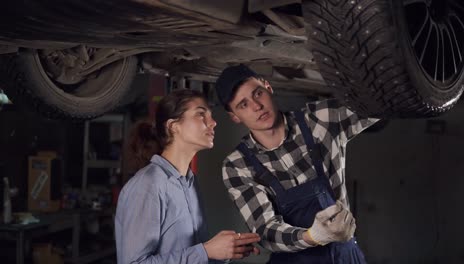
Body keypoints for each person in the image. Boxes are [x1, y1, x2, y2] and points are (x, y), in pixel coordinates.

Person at [215, 64, 379, 263]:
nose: (256, 106)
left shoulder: (320, 120)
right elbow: (265, 230)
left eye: (258, 93)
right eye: (243, 105)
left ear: (268, 87)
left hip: (346, 256)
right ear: (234, 117)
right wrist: (313, 236)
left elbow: (379, 103)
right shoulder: (238, 165)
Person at [115, 89, 261, 264]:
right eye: (201, 114)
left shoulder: (189, 182)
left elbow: (194, 255)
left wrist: (225, 251)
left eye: (211, 115)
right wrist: (206, 251)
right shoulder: (148, 184)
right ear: (173, 126)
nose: (213, 122)